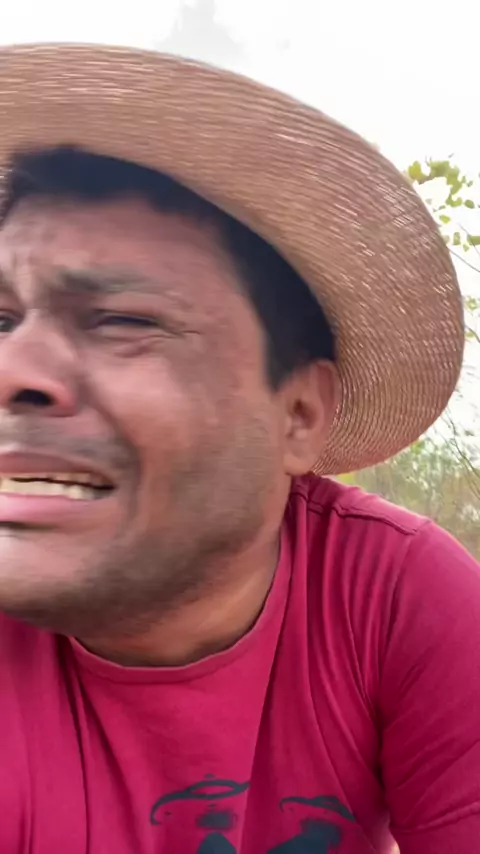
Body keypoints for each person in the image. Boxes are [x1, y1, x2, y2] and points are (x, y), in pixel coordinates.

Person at [0, 43, 478, 854]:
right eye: (2, 320)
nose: (13, 370)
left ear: (299, 414)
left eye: (123, 321)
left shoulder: (393, 598)